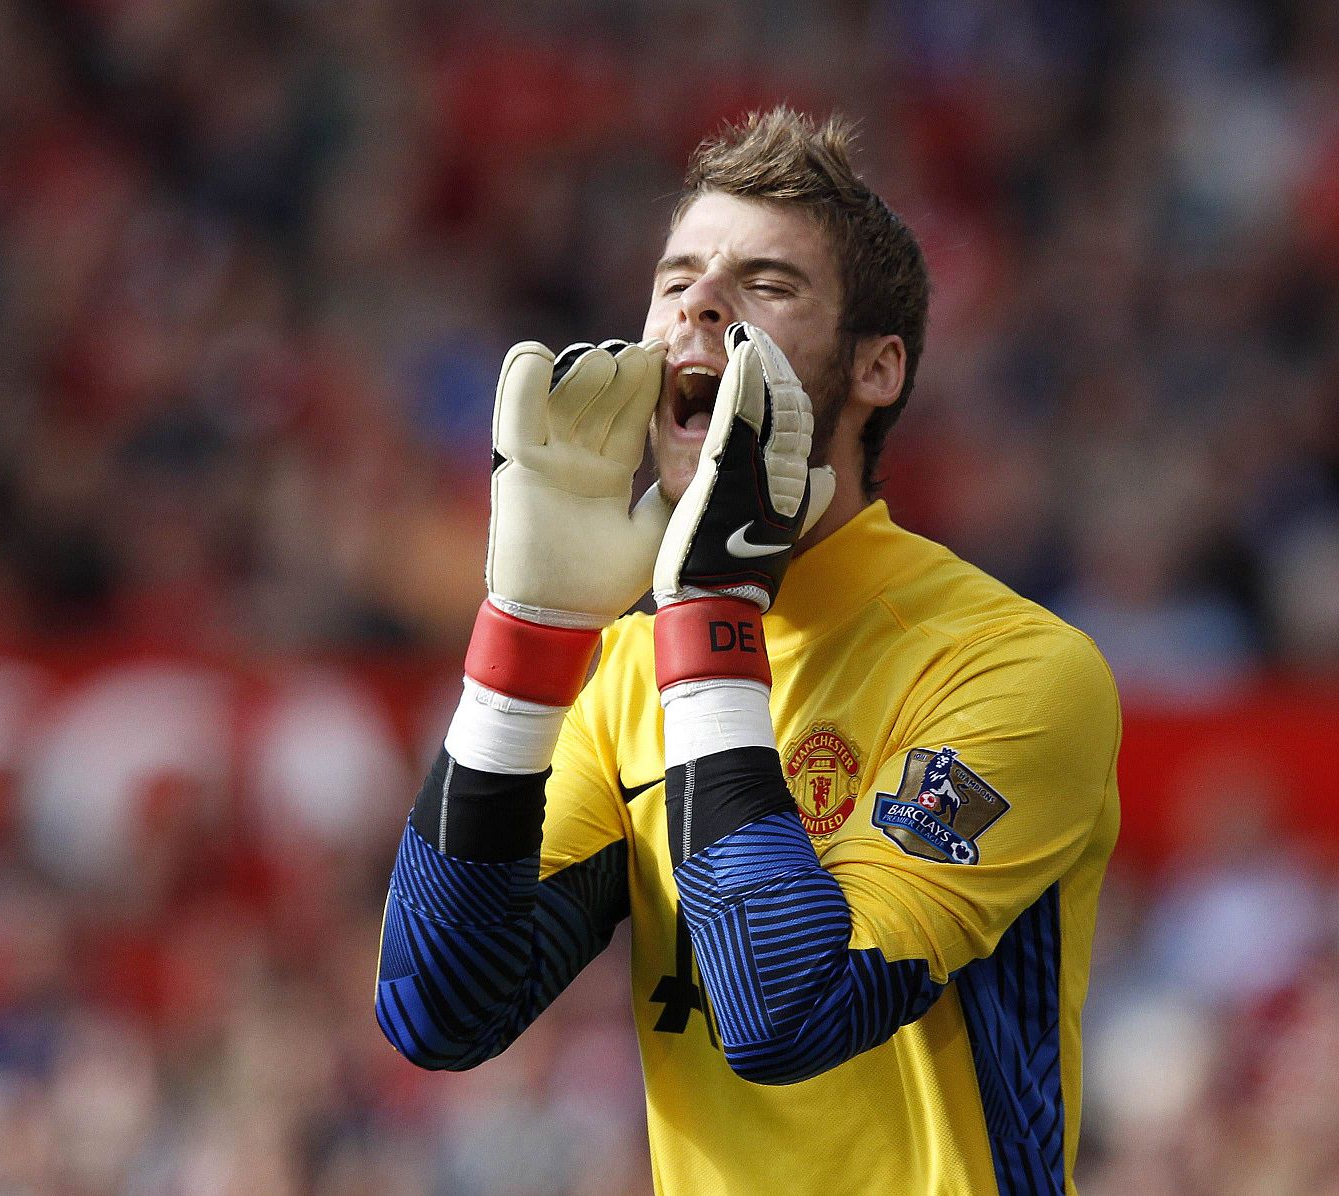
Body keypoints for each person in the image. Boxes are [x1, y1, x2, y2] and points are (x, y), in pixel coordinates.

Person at [375, 107, 1120, 1196]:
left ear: (877, 366)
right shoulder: (627, 668)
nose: (697, 303)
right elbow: (434, 1010)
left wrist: (712, 605)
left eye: (766, 284)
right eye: (676, 276)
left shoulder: (1015, 667)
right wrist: (523, 647)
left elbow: (787, 1011)